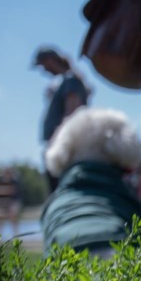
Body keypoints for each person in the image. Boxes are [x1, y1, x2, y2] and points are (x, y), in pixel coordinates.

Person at [33, 46, 91, 192]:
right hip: (61, 148)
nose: (43, 70)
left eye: (42, 65)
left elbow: (72, 115)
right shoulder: (64, 81)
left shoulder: (70, 80)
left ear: (50, 60)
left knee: (62, 193)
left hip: (63, 150)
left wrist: (58, 145)